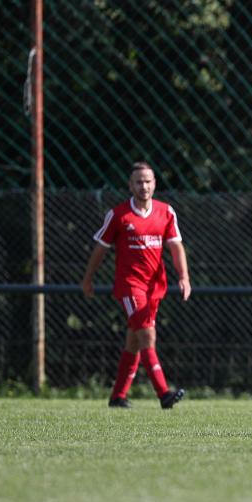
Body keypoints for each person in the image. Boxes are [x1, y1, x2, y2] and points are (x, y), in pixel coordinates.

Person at [81, 161, 191, 409]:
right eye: (139, 182)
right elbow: (100, 248)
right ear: (130, 186)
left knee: (134, 340)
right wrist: (88, 277)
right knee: (147, 334)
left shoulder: (166, 212)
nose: (144, 186)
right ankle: (163, 393)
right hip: (130, 285)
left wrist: (183, 277)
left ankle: (117, 396)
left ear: (155, 184)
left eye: (148, 181)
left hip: (155, 287)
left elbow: (175, 246)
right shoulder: (119, 215)